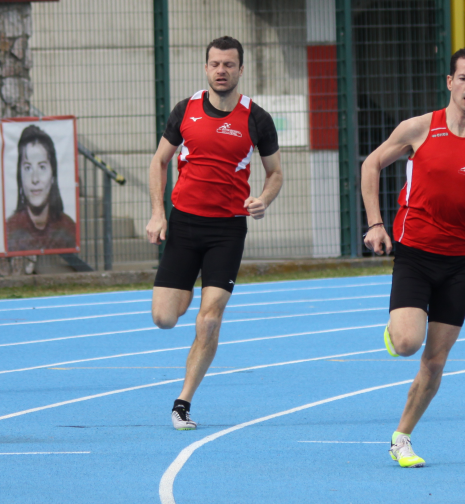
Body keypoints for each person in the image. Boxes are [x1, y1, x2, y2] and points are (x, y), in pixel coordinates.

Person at [361, 47, 465, 467]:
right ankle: (397, 331)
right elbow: (371, 164)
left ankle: (401, 437)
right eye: (463, 78)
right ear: (450, 82)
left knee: (436, 360)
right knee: (409, 344)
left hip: (459, 263)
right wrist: (375, 224)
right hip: (415, 255)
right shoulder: (420, 128)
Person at [146, 36, 283, 430]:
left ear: (241, 70)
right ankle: (187, 286)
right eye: (215, 64)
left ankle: (182, 402)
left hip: (227, 230)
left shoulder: (257, 119)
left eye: (229, 64)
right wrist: (158, 214)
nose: (221, 70)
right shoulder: (184, 110)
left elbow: (275, 173)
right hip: (185, 224)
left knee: (209, 319)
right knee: (164, 318)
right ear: (206, 68)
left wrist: (264, 200)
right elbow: (159, 161)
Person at [6, 125, 76, 252]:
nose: (35, 179)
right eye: (28, 168)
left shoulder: (68, 229)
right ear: (19, 175)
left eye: (42, 167)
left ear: (53, 174)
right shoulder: (9, 231)